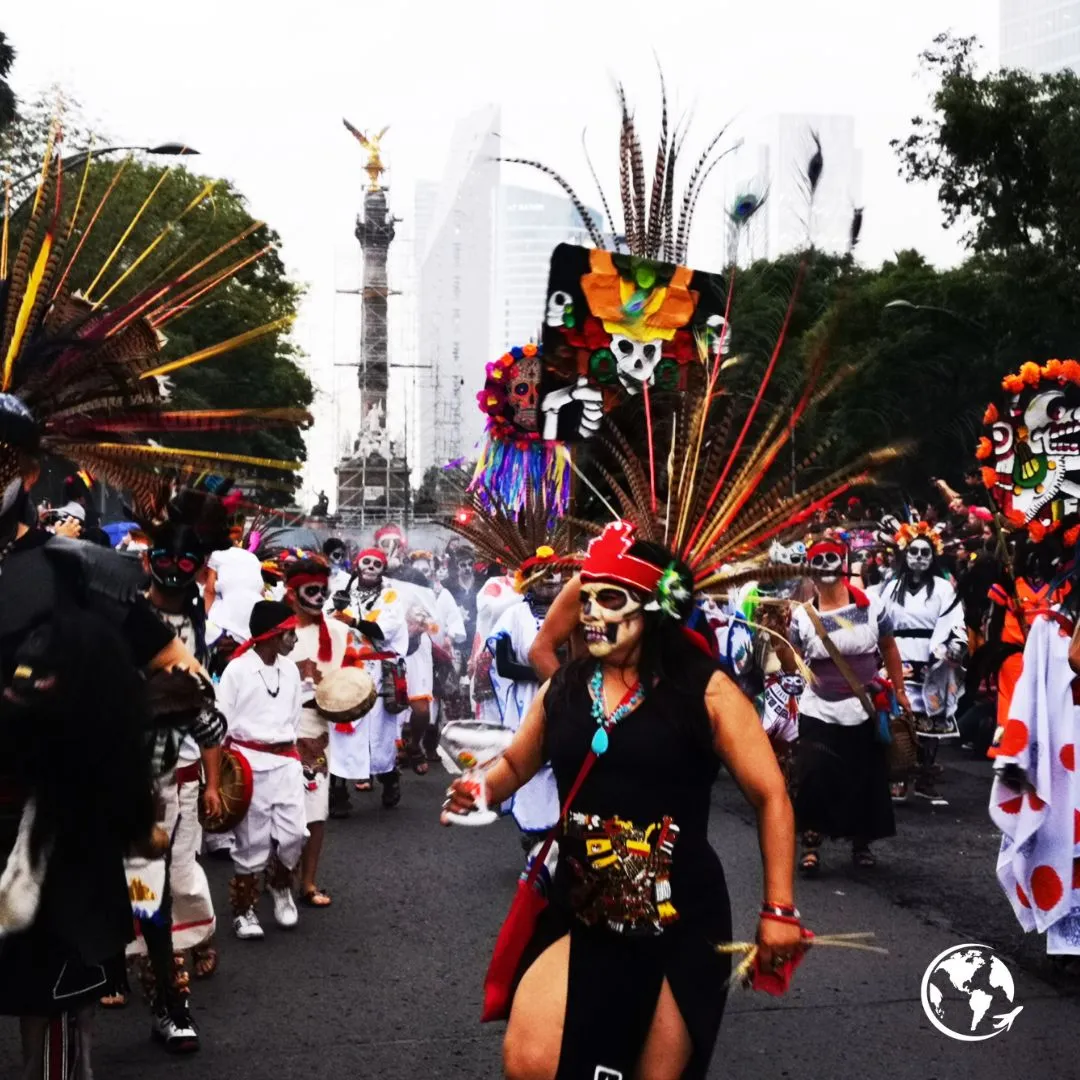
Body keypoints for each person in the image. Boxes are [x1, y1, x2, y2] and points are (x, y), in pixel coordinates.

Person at [444, 521, 800, 1079]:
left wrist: (779, 908)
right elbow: (514, 764)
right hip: (583, 909)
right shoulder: (564, 688)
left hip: (679, 917)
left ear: (655, 608)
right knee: (530, 1063)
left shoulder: (706, 691)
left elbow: (770, 793)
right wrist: (480, 788)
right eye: (585, 599)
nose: (590, 613)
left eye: (609, 600)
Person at [777, 535, 909, 875]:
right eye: (817, 561)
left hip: (864, 707)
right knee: (815, 774)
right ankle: (811, 844)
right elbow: (792, 664)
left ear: (844, 562)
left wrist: (899, 689)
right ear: (810, 569)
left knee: (864, 775)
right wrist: (777, 640)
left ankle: (861, 842)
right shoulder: (802, 617)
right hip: (818, 709)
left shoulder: (872, 606)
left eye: (830, 558)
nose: (825, 567)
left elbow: (889, 647)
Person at [218, 602, 306, 940]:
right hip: (248, 763)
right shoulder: (237, 670)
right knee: (251, 839)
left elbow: (294, 718)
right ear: (271, 635)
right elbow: (222, 722)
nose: (294, 640)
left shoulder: (291, 670)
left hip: (286, 762)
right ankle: (243, 909)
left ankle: (280, 885)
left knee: (294, 833)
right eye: (289, 633)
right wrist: (220, 774)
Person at [874, 522, 967, 806]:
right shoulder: (891, 588)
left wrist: (952, 646)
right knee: (900, 720)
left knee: (931, 720)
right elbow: (879, 623)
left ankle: (926, 777)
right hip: (898, 657)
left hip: (932, 659)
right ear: (905, 554)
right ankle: (898, 776)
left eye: (925, 553)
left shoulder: (943, 588)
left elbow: (955, 621)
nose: (919, 557)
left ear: (932, 556)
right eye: (913, 552)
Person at [284, 556, 351, 908]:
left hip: (316, 731)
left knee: (315, 811)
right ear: (291, 593)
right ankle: (279, 877)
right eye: (311, 591)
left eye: (323, 591)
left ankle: (307, 882)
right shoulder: (276, 630)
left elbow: (348, 683)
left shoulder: (338, 633)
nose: (319, 598)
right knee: (279, 811)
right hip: (275, 731)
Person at [487, 548, 565, 849]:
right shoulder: (513, 615)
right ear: (527, 581)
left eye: (555, 574)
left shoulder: (576, 614)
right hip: (528, 700)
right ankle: (535, 831)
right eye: (542, 575)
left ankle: (561, 829)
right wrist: (550, 673)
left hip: (566, 696)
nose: (550, 581)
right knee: (530, 760)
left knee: (563, 760)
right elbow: (505, 666)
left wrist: (563, 681)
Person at [329, 547, 409, 811]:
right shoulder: (341, 593)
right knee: (342, 728)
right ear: (357, 564)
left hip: (377, 672)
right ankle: (338, 791)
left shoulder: (390, 596)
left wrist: (351, 621)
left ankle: (389, 777)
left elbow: (383, 631)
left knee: (377, 734)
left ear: (383, 569)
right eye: (367, 561)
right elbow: (326, 623)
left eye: (377, 563)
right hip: (345, 671)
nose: (371, 567)